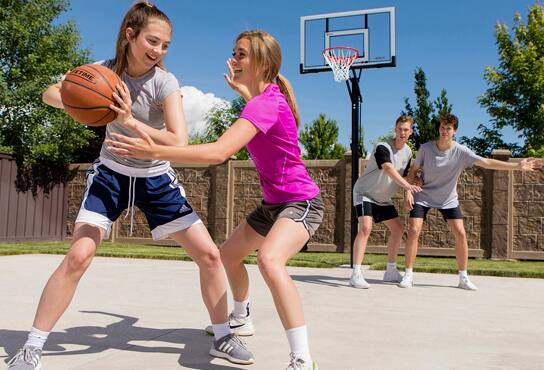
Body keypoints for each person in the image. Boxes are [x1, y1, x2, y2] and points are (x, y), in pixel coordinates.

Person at [7, 3, 253, 369]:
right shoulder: (104, 72)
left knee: (210, 255)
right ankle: (32, 345)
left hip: (156, 179)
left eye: (166, 45)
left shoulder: (163, 82)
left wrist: (128, 120)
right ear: (130, 35)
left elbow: (178, 140)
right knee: (78, 256)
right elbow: (50, 93)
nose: (158, 50)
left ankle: (223, 336)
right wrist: (80, 99)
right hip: (110, 175)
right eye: (152, 41)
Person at [107, 29, 323, 370]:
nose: (233, 59)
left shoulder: (266, 103)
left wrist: (153, 149)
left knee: (269, 260)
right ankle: (241, 316)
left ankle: (302, 358)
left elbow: (218, 152)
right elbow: (255, 104)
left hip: (301, 203)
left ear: (262, 63)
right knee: (227, 256)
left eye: (241, 54)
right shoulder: (261, 98)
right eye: (233, 52)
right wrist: (243, 88)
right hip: (273, 204)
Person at [400, 113, 542, 290]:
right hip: (423, 195)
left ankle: (463, 278)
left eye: (449, 128)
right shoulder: (426, 149)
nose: (444, 131)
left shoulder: (461, 152)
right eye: (442, 127)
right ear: (439, 128)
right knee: (414, 230)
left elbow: (486, 162)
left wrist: (517, 166)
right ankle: (408, 274)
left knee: (460, 233)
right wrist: (408, 191)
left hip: (447, 199)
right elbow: (414, 170)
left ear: (455, 131)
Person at [350, 115, 421, 288]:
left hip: (382, 198)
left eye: (406, 130)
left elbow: (404, 174)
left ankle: (390, 271)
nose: (402, 132)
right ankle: (356, 274)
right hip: (364, 193)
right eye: (399, 129)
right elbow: (388, 168)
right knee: (366, 228)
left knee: (398, 229)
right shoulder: (382, 146)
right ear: (395, 129)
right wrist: (408, 186)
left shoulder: (408, 152)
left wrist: (410, 189)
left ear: (410, 132)